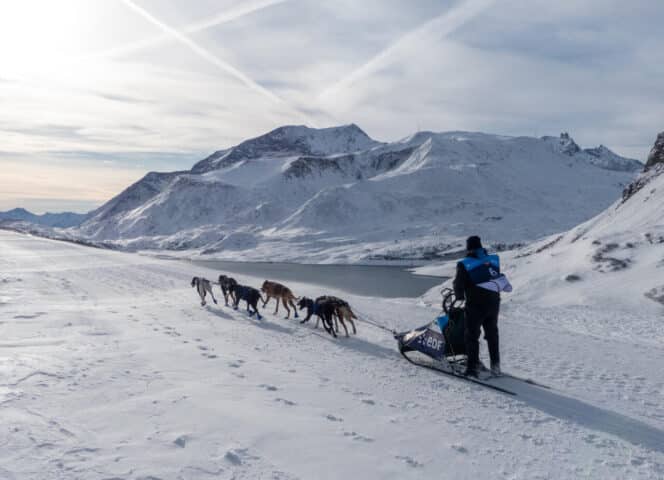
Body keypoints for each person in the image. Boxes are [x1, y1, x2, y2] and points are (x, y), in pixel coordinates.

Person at [453, 236, 512, 377]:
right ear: (480, 246)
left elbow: (458, 283)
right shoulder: (492, 260)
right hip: (494, 304)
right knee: (492, 335)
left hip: (476, 305)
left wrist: (459, 296)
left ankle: (472, 369)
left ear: (468, 248)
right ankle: (496, 367)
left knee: (471, 336)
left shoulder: (464, 264)